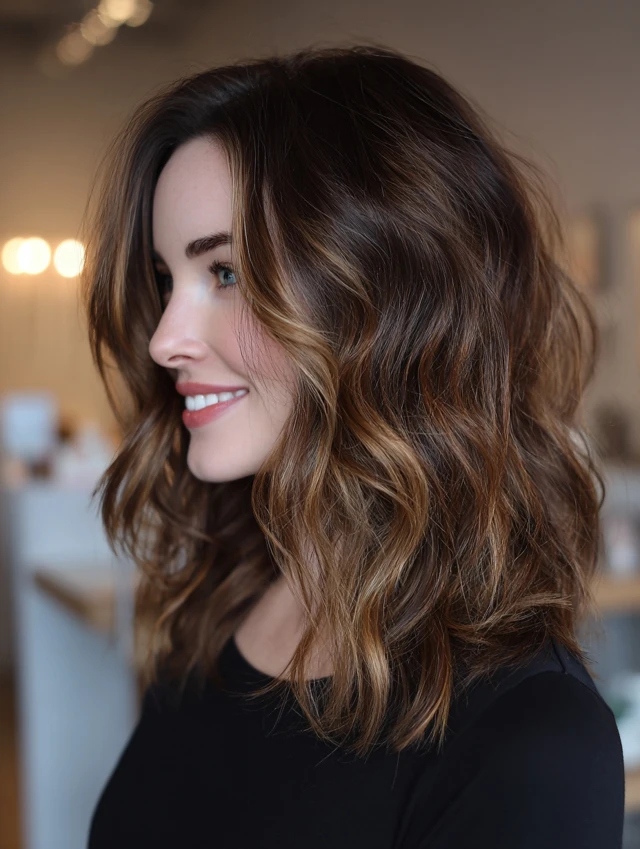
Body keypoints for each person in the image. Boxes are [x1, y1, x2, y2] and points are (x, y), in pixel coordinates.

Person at [82, 43, 625, 848]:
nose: (164, 339)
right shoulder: (214, 610)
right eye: (166, 280)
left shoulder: (529, 742)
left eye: (225, 274)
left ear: (387, 298)